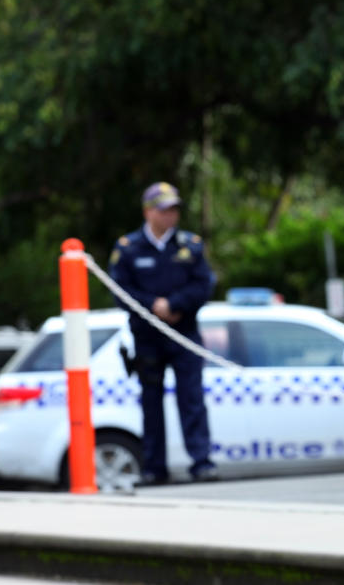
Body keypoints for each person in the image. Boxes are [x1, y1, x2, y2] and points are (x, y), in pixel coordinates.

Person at [108, 182, 218, 485]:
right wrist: (152, 306)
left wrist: (173, 304)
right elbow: (120, 291)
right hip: (147, 337)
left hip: (184, 334)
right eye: (164, 209)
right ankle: (154, 467)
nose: (171, 215)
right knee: (151, 403)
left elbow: (203, 285)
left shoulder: (190, 245)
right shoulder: (128, 248)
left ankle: (201, 462)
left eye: (174, 210)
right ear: (148, 212)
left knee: (192, 399)